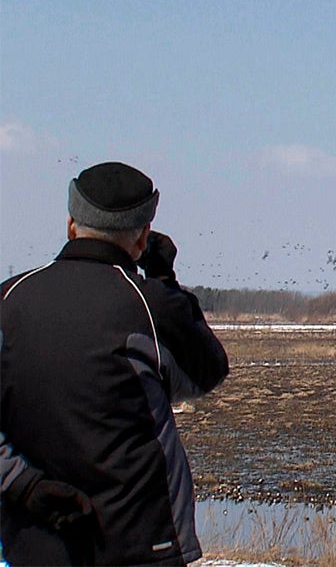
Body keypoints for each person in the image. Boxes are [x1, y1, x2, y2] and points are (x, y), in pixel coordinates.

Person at [0, 162, 229, 565]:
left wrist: (23, 485)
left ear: (71, 224)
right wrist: (163, 281)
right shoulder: (148, 304)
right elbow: (206, 372)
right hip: (137, 540)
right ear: (142, 237)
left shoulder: (8, 299)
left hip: (34, 539)